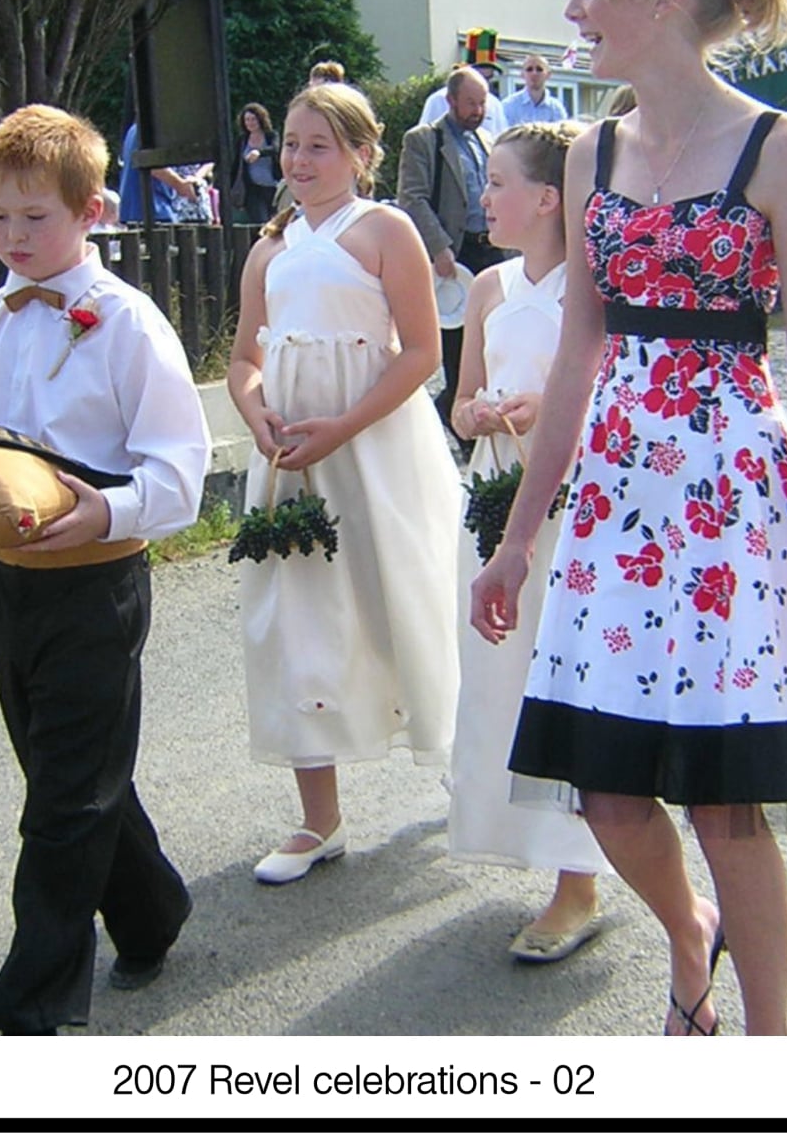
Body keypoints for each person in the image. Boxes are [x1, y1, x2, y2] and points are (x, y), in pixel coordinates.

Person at [470, 0, 787, 1037]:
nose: (572, 6)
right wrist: (513, 542)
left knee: (726, 797)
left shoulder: (774, 145)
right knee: (605, 787)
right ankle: (684, 931)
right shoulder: (589, 149)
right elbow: (578, 356)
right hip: (613, 498)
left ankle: (765, 1044)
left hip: (734, 501)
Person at [0, 105, 210, 1034]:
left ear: (91, 211)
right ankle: (153, 908)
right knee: (64, 772)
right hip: (14, 585)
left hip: (100, 581)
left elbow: (180, 471)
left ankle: (32, 1009)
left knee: (64, 800)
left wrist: (104, 508)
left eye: (34, 217)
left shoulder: (127, 323)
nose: (13, 236)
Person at [227, 82, 461, 884]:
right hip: (293, 455)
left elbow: (422, 352)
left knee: (403, 593)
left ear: (363, 155)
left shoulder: (384, 231)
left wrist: (348, 424)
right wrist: (258, 415)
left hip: (374, 447)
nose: (298, 160)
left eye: (318, 145)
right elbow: (244, 359)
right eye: (290, 143)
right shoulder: (269, 247)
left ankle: (457, 755)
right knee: (294, 619)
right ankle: (317, 819)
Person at [445, 120, 607, 963]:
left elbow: (601, 391)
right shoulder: (487, 288)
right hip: (493, 492)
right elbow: (463, 396)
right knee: (501, 672)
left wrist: (546, 413)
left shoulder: (594, 284)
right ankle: (537, 847)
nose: (485, 197)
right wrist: (475, 412)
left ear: (548, 198)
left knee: (562, 675)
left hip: (569, 505)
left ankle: (579, 877)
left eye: (500, 182)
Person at [398, 65, 512, 430]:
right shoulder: (424, 140)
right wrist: (439, 247)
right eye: (470, 103)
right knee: (458, 351)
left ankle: (470, 423)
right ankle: (451, 424)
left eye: (482, 104)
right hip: (455, 257)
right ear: (450, 101)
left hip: (491, 251)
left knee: (493, 343)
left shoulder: (488, 142)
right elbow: (412, 198)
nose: (478, 111)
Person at [222, 103, 282, 227]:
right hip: (253, 189)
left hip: (273, 187)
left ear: (260, 119)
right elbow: (236, 165)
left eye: (253, 119)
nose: (250, 123)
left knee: (277, 221)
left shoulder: (271, 136)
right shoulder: (242, 140)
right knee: (261, 222)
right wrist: (230, 187)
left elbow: (276, 149)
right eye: (247, 120)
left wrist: (259, 152)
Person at [420, 63, 510, 137]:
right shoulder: (438, 100)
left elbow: (502, 140)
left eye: (489, 78)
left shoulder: (494, 103)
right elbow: (425, 140)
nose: (478, 111)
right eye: (479, 75)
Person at [504, 54, 570, 127]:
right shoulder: (509, 106)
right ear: (522, 74)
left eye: (539, 69)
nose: (534, 73)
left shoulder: (556, 109)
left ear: (548, 75)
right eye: (529, 69)